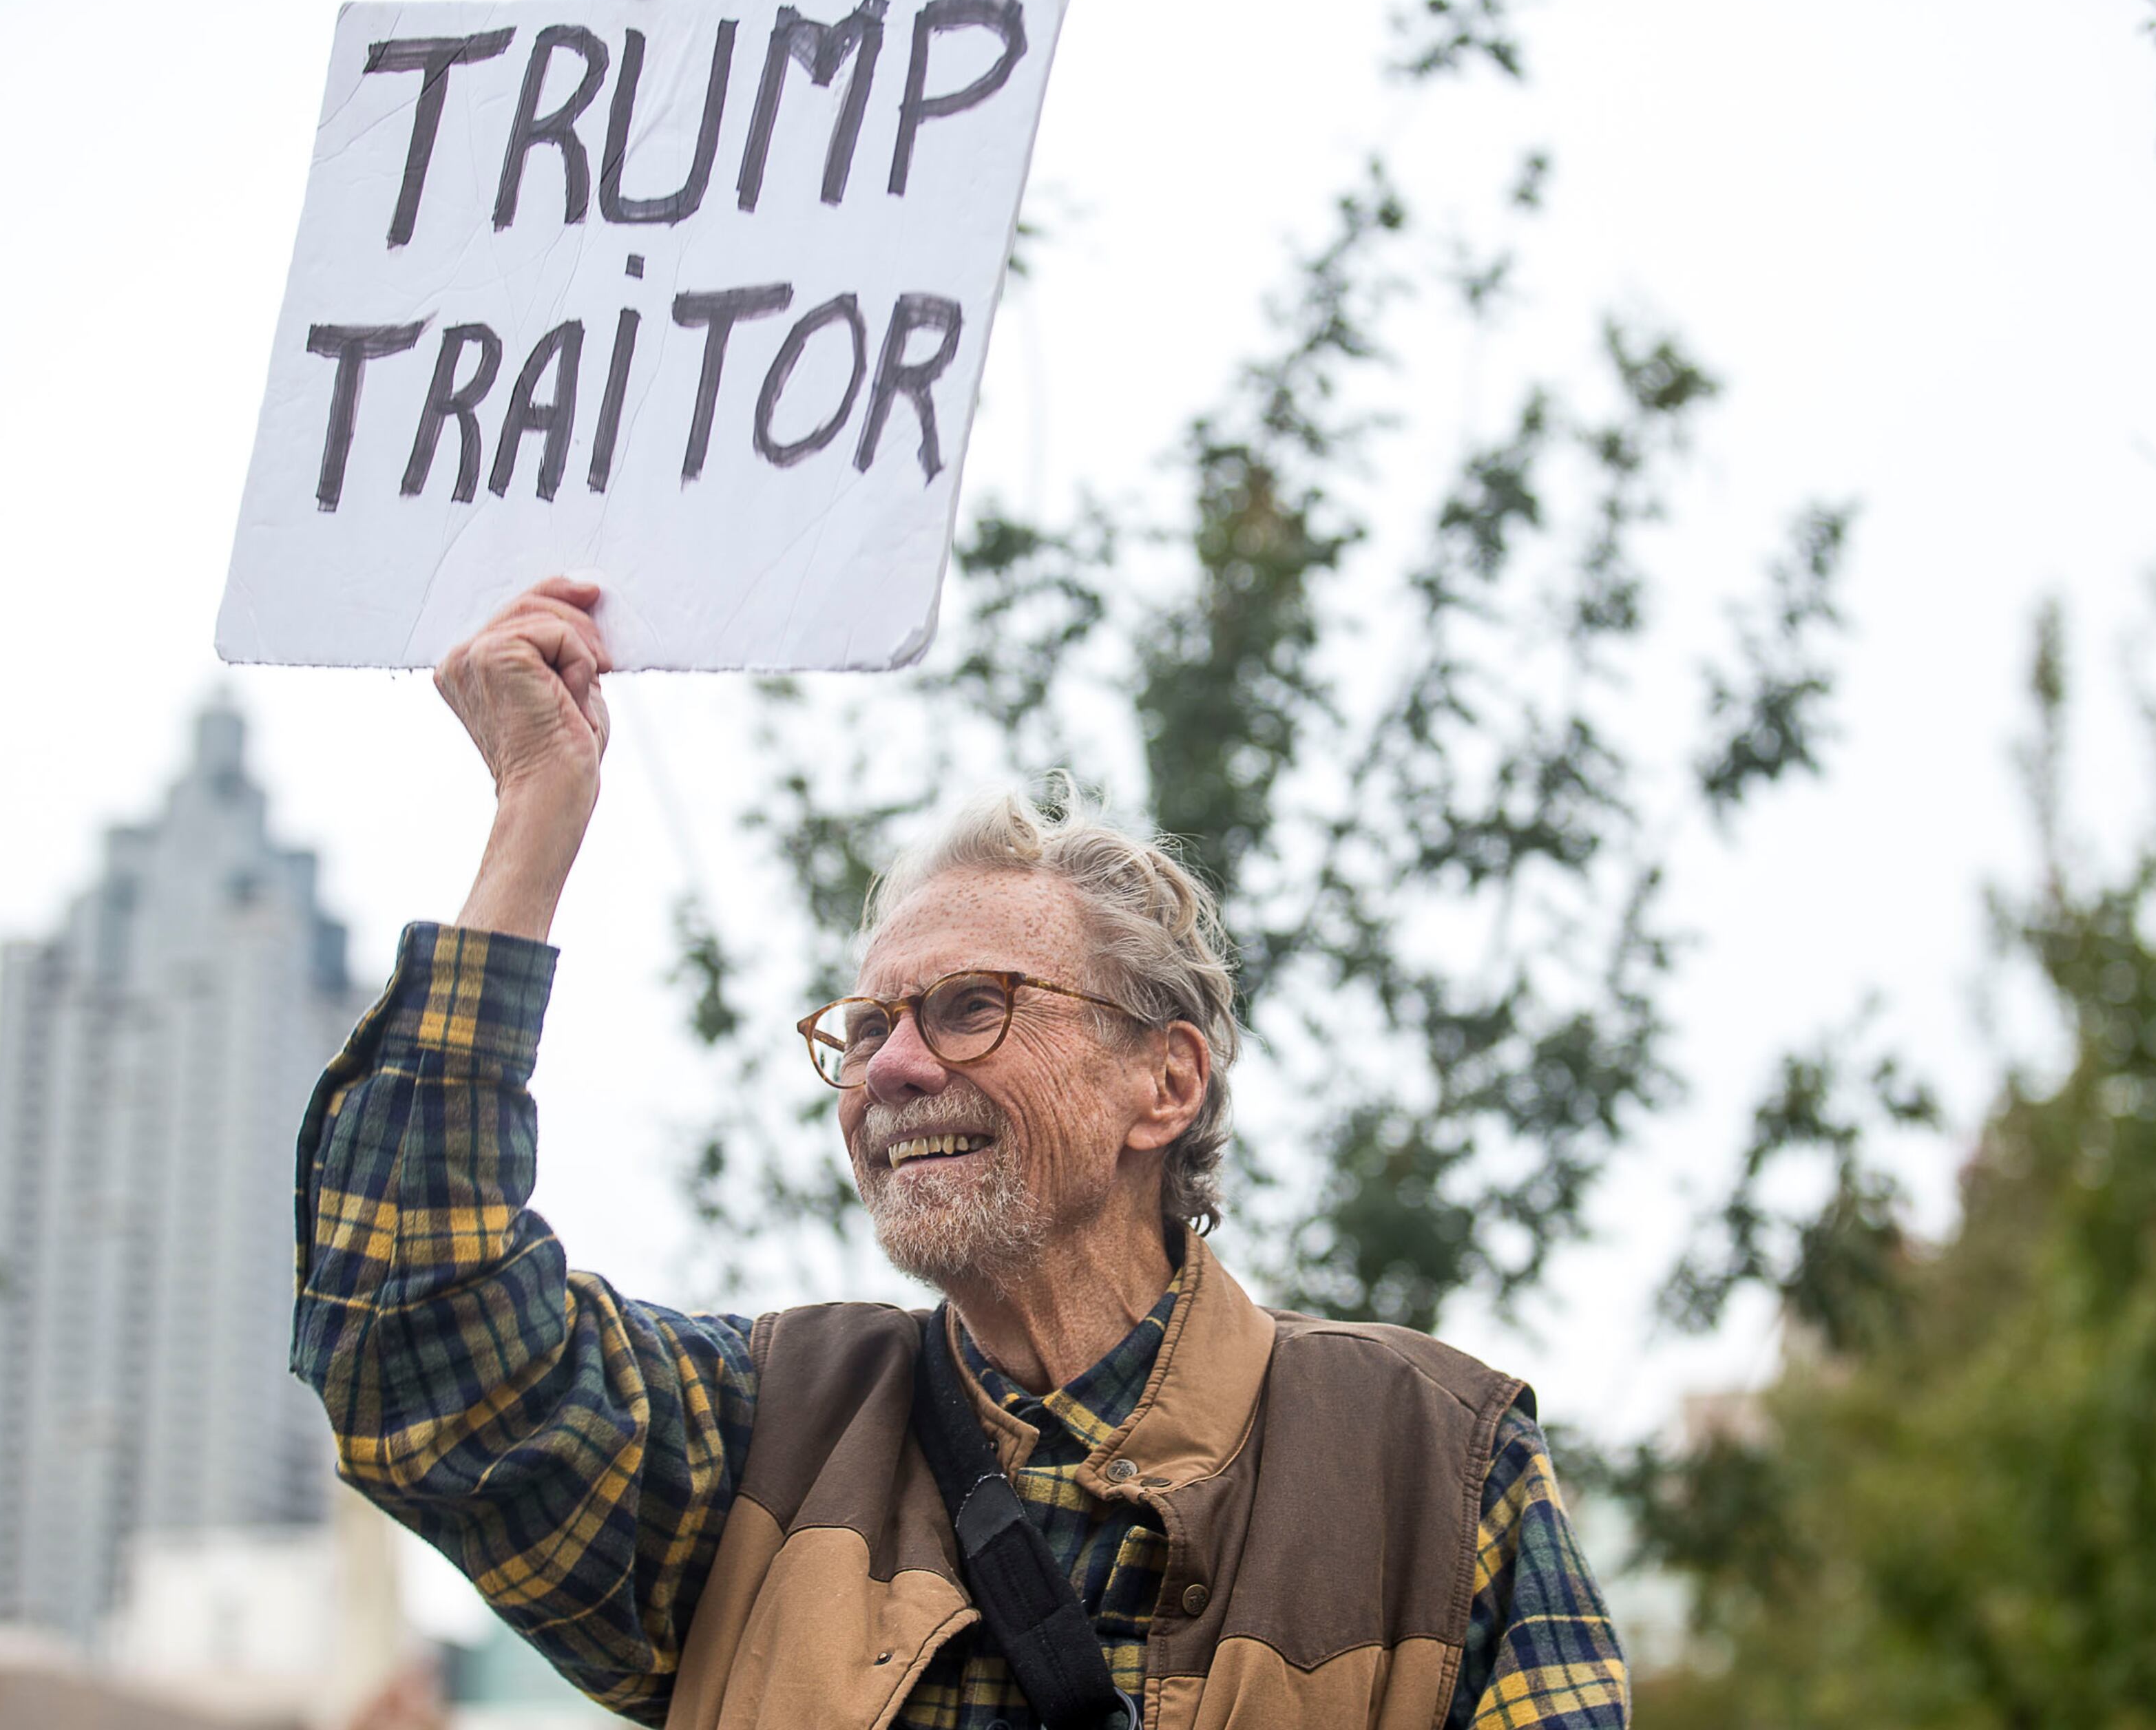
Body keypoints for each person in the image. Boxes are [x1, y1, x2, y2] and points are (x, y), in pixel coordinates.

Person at [290, 576, 1632, 1729]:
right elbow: (413, 1337)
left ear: (1163, 1084)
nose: (891, 1064)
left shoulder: (1437, 1466)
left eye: (969, 1005)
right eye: (866, 1024)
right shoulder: (751, 1439)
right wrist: (537, 805)